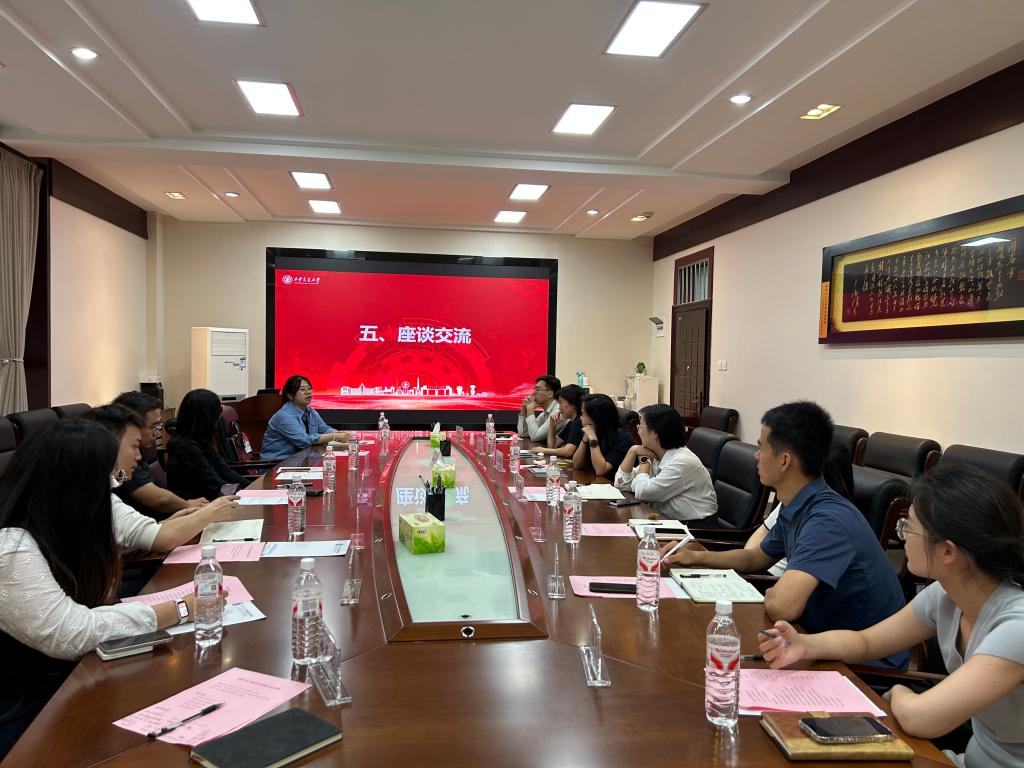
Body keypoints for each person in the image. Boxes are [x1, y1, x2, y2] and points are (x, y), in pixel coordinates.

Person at [760, 464, 1024, 768]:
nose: (903, 535)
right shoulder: (945, 596)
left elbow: (920, 718)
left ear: (948, 552)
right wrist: (805, 645)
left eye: (909, 526)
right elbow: (867, 641)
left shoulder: (1015, 626)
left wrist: (898, 691)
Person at [0, 420, 219, 756]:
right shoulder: (11, 546)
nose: (114, 488)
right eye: (108, 477)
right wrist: (179, 609)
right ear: (75, 484)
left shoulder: (65, 520)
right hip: (25, 706)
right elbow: (70, 633)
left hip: (74, 675)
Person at [664, 400, 907, 668]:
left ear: (784, 461)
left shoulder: (827, 520)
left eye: (761, 448)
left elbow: (783, 606)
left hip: (863, 669)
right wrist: (696, 557)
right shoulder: (798, 504)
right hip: (812, 640)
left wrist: (772, 593)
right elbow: (755, 558)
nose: (756, 456)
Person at [85, 405, 240, 551]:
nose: (138, 456)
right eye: (134, 446)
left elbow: (126, 537)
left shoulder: (102, 489)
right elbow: (162, 538)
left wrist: (165, 524)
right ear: (109, 446)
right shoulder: (96, 499)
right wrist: (211, 512)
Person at [745, 441, 854, 576]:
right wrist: (747, 570)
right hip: (763, 573)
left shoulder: (829, 520)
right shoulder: (794, 497)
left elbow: (800, 579)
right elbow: (763, 532)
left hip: (781, 579)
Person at [614, 403, 718, 526]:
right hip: (667, 521)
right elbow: (621, 484)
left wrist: (644, 461)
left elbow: (643, 493)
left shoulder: (682, 461)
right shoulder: (657, 454)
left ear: (655, 432)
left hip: (695, 528)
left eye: (640, 426)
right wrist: (632, 451)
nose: (638, 430)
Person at [111, 390, 209, 518]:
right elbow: (158, 499)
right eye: (154, 426)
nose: (157, 433)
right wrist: (187, 505)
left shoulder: (139, 452)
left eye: (159, 425)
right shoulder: (122, 462)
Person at [166, 389, 247, 500]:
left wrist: (254, 488)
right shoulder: (185, 447)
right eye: (215, 417)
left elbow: (226, 471)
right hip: (195, 505)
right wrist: (247, 493)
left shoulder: (201, 441)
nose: (216, 424)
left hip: (210, 499)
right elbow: (214, 484)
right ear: (206, 418)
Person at [260, 375, 350, 461]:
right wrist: (334, 436)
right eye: (302, 389)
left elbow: (325, 428)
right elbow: (304, 441)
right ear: (290, 395)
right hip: (277, 463)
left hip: (300, 459)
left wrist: (341, 434)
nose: (308, 392)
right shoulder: (285, 416)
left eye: (309, 388)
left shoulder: (310, 411)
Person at [573, 393, 634, 480]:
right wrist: (585, 439)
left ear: (595, 417)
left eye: (583, 414)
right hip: (594, 481)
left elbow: (601, 470)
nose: (580, 418)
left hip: (613, 484)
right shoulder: (593, 430)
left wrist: (593, 438)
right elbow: (577, 464)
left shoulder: (623, 437)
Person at [533, 384, 585, 459]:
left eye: (561, 403)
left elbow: (568, 451)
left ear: (573, 404)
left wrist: (543, 450)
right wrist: (552, 425)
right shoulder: (571, 422)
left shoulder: (579, 422)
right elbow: (552, 447)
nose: (559, 408)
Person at [517, 375, 561, 442]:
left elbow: (535, 437)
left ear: (550, 394)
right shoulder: (544, 414)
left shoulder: (558, 411)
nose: (533, 393)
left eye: (537, 389)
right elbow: (523, 434)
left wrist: (530, 409)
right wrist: (524, 409)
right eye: (534, 389)